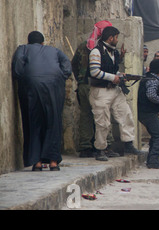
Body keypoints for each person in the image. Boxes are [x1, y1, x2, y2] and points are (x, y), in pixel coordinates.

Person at [12, 31, 72, 171]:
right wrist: (58, 78)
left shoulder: (23, 49)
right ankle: (53, 162)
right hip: (54, 85)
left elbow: (18, 68)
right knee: (53, 121)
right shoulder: (54, 50)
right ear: (43, 43)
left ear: (29, 42)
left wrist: (26, 78)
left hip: (31, 86)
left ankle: (37, 162)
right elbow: (67, 66)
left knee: (33, 121)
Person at [88, 26, 141, 161]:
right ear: (110, 38)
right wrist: (113, 77)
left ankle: (129, 144)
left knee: (126, 114)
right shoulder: (96, 52)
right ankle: (100, 149)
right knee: (102, 122)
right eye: (116, 37)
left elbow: (112, 71)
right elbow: (94, 72)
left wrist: (121, 75)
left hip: (115, 90)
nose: (117, 40)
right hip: (101, 91)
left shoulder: (114, 53)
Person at [71, 20, 118, 158]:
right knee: (104, 115)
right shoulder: (104, 48)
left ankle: (85, 147)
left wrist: (80, 80)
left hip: (83, 86)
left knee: (86, 116)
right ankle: (106, 146)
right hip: (97, 86)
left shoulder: (82, 46)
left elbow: (74, 65)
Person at [138, 59, 159, 169]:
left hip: (144, 111)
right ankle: (153, 161)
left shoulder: (146, 77)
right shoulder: (153, 80)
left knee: (155, 135)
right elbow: (151, 95)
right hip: (147, 112)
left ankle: (151, 159)